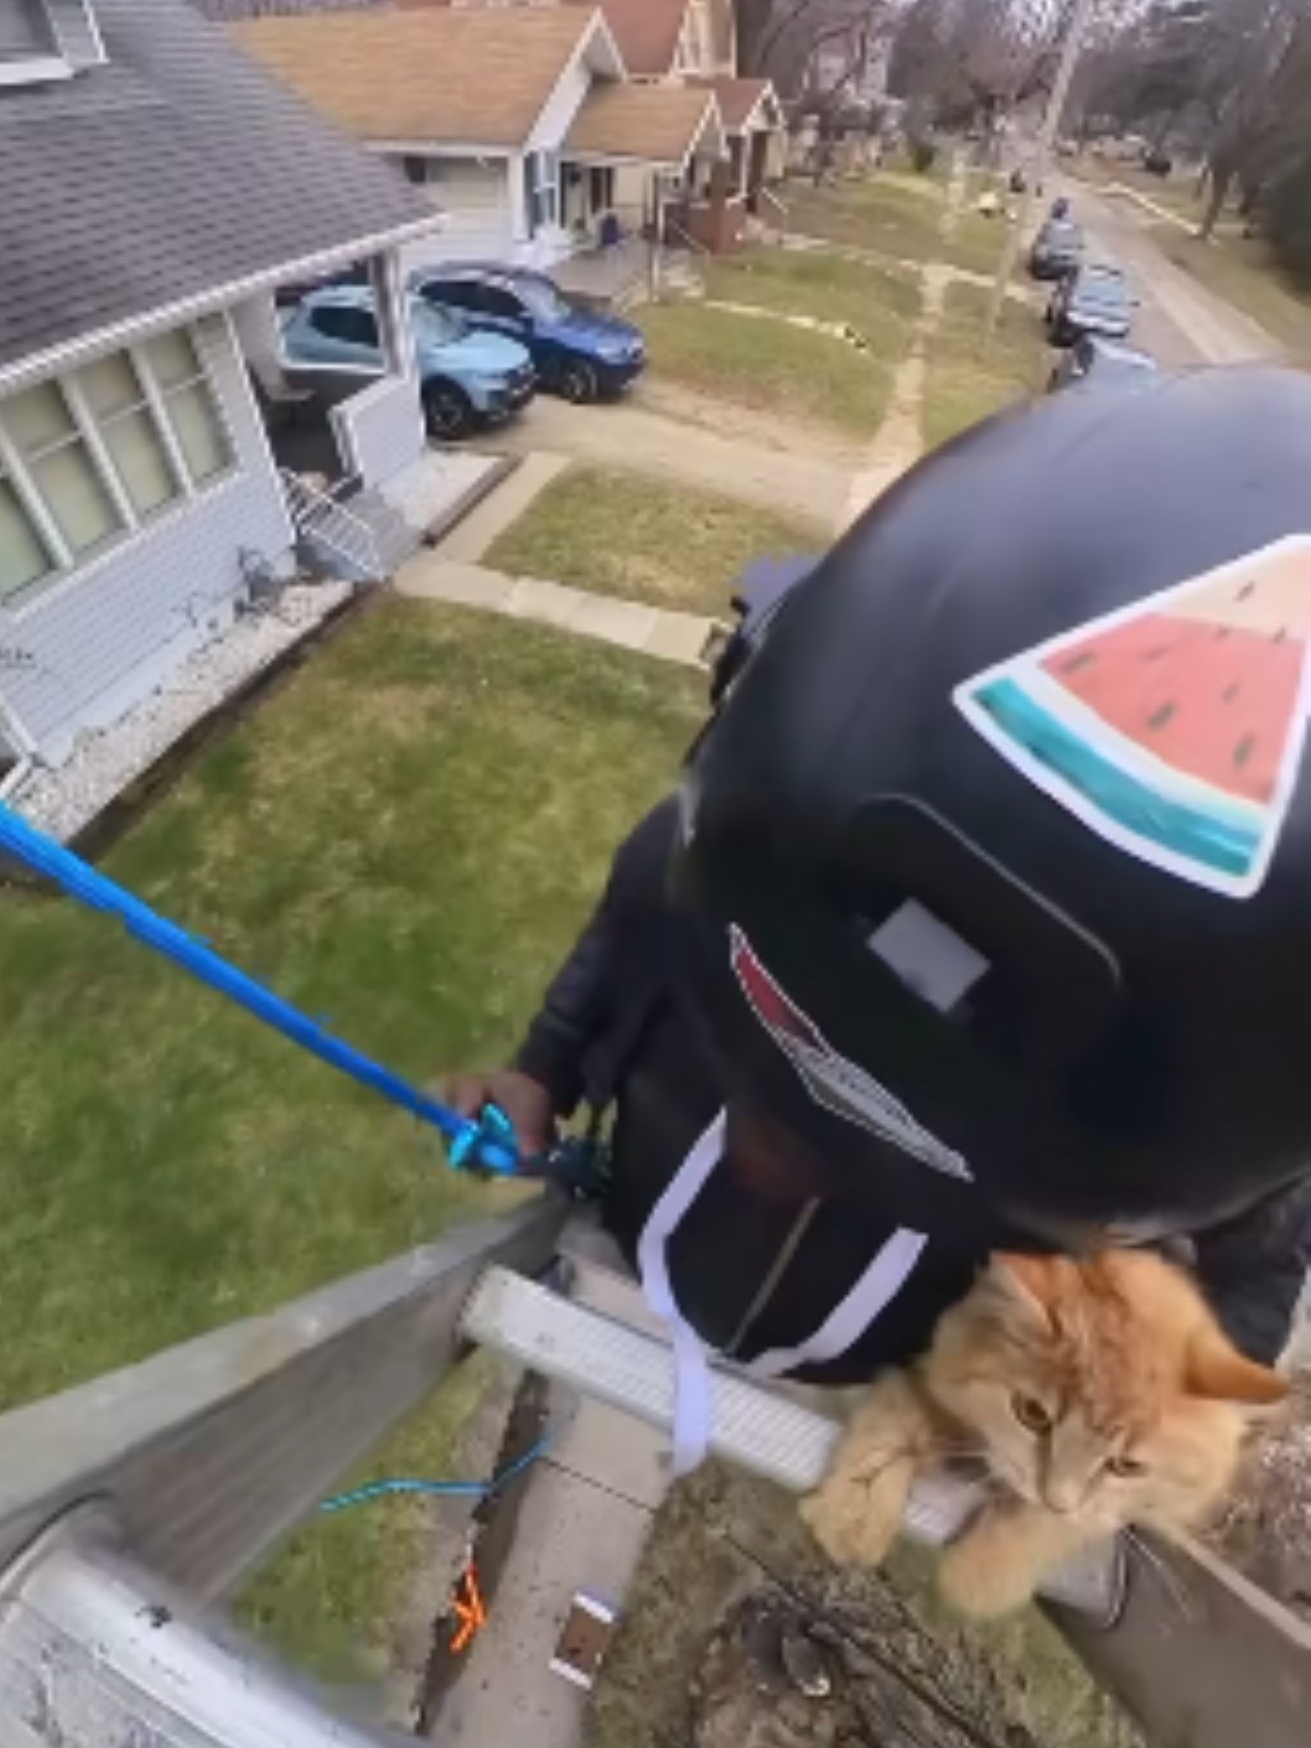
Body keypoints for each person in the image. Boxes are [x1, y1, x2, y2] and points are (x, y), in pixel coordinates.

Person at [453, 366, 1311, 1463]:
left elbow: (1258, 1281)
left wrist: (1155, 1417)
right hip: (640, 1222)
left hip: (856, 1368)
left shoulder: (1226, 1121)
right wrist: (546, 1069)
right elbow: (641, 897)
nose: (777, 1159)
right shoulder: (716, 859)